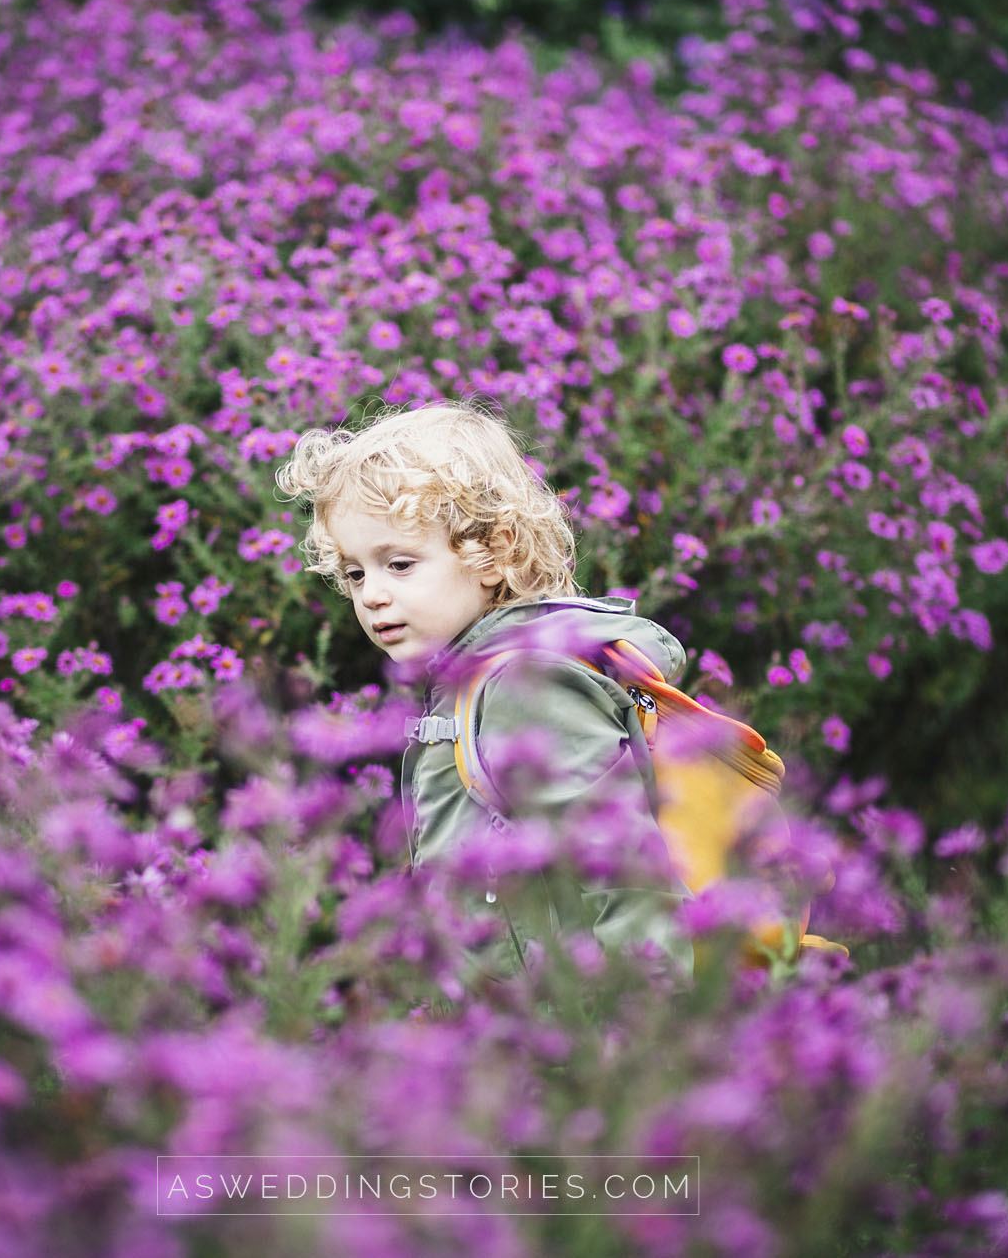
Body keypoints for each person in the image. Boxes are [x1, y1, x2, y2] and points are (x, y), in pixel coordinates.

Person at [275, 400, 696, 982]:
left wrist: (653, 1044)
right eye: (355, 573)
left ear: (494, 554)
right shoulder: (468, 683)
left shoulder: (530, 685)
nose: (370, 595)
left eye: (398, 564)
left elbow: (627, 877)